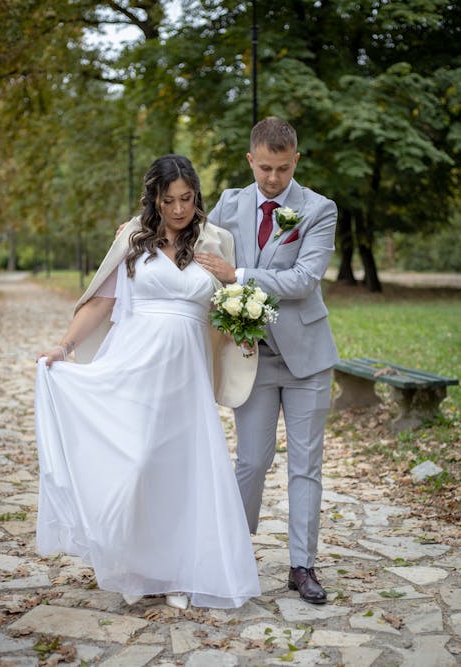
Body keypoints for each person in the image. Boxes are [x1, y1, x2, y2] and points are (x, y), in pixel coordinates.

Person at [35, 154, 261, 610]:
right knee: (136, 463)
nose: (178, 209)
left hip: (187, 376)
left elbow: (229, 303)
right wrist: (64, 347)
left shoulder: (218, 240)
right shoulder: (133, 237)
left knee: (180, 470)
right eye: (168, 199)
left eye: (186, 198)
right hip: (135, 366)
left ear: (196, 196)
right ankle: (136, 562)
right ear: (154, 199)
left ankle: (178, 569)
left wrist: (243, 327)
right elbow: (101, 301)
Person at [195, 117, 339, 604]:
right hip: (250, 358)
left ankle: (302, 566)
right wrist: (137, 230)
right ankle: (232, 554)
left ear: (295, 161)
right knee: (252, 461)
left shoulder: (318, 209)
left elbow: (303, 280)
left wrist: (238, 274)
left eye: (282, 169)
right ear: (250, 161)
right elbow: (190, 244)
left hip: (307, 360)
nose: (273, 179)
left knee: (305, 466)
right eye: (264, 169)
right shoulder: (230, 204)